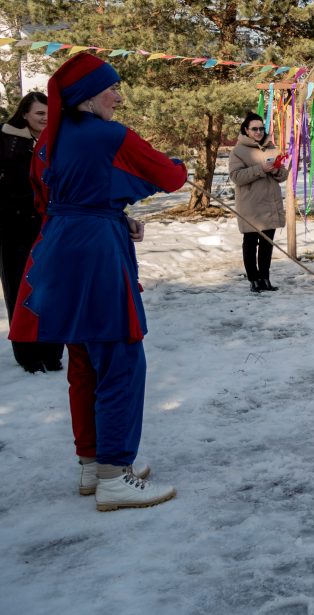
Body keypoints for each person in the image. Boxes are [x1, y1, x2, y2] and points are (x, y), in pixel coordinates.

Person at [9, 52, 188, 510]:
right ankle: (115, 474)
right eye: (112, 88)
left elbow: (49, 197)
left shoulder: (47, 140)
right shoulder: (109, 135)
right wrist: (177, 166)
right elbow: (168, 175)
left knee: (84, 359)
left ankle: (92, 464)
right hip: (96, 255)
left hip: (60, 246)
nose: (119, 95)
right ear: (89, 97)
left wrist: (113, 213)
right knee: (121, 357)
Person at [0, 91, 64, 372]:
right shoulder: (6, 144)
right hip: (14, 230)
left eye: (49, 114)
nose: (45, 119)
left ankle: (52, 353)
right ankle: (28, 356)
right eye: (39, 114)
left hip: (49, 229)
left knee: (53, 290)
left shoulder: (56, 140)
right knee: (20, 291)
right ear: (24, 113)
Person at [229, 112, 288, 293]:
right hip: (251, 205)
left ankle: (265, 278)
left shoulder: (271, 147)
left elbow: (283, 175)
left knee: (267, 244)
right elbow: (236, 177)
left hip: (270, 203)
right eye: (254, 129)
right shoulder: (238, 151)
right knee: (250, 242)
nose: (258, 132)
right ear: (246, 130)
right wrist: (260, 169)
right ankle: (253, 280)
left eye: (261, 128)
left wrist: (276, 170)